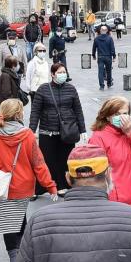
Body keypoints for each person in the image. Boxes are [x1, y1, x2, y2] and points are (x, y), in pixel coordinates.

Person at [0, 99, 57, 262]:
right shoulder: (27, 135)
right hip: (23, 185)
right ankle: (22, 254)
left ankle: (15, 257)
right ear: (18, 114)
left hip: (2, 186)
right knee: (18, 216)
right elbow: (39, 163)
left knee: (9, 222)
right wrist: (50, 185)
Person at [30, 63, 86, 197]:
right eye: (60, 72)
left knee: (64, 160)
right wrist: (32, 130)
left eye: (64, 72)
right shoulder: (43, 89)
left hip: (67, 131)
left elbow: (78, 110)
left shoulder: (71, 89)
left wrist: (82, 129)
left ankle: (62, 185)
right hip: (47, 131)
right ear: (52, 74)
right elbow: (35, 111)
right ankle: (40, 188)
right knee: (46, 160)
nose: (63, 74)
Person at [89, 97, 131, 207]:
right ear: (108, 116)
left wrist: (130, 133)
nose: (122, 117)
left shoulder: (127, 133)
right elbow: (96, 171)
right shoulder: (98, 137)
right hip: (114, 199)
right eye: (117, 114)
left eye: (125, 113)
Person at [92, 25, 117, 90]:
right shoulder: (109, 38)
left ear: (100, 31)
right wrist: (114, 56)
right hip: (108, 57)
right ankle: (109, 83)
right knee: (109, 71)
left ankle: (101, 86)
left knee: (100, 72)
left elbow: (94, 48)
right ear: (106, 31)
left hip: (100, 57)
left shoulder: (96, 39)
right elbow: (112, 48)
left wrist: (93, 55)